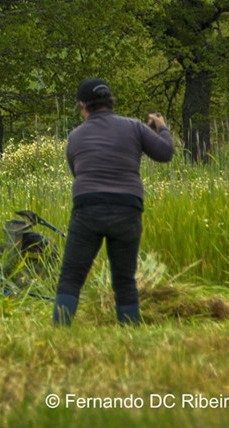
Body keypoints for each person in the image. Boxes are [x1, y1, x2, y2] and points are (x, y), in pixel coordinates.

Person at [53, 78, 174, 326]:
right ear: (111, 102)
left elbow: (77, 171)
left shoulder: (75, 136)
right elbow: (165, 153)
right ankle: (130, 331)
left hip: (88, 207)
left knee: (71, 277)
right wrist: (161, 127)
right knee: (124, 279)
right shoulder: (134, 127)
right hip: (127, 208)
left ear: (82, 106)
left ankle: (59, 332)